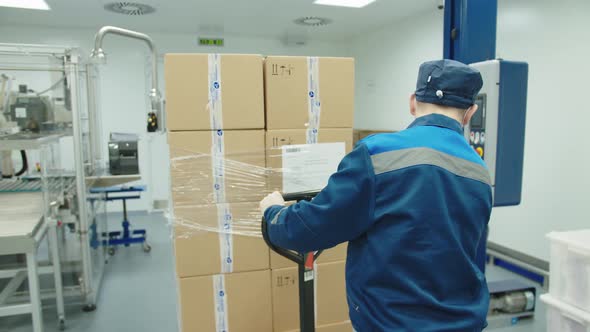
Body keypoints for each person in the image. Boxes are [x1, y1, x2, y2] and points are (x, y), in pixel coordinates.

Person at [260, 59, 492, 331]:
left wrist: (274, 214)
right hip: (463, 321)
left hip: (392, 322)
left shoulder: (377, 154)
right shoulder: (480, 173)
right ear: (469, 113)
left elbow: (310, 228)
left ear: (412, 102)